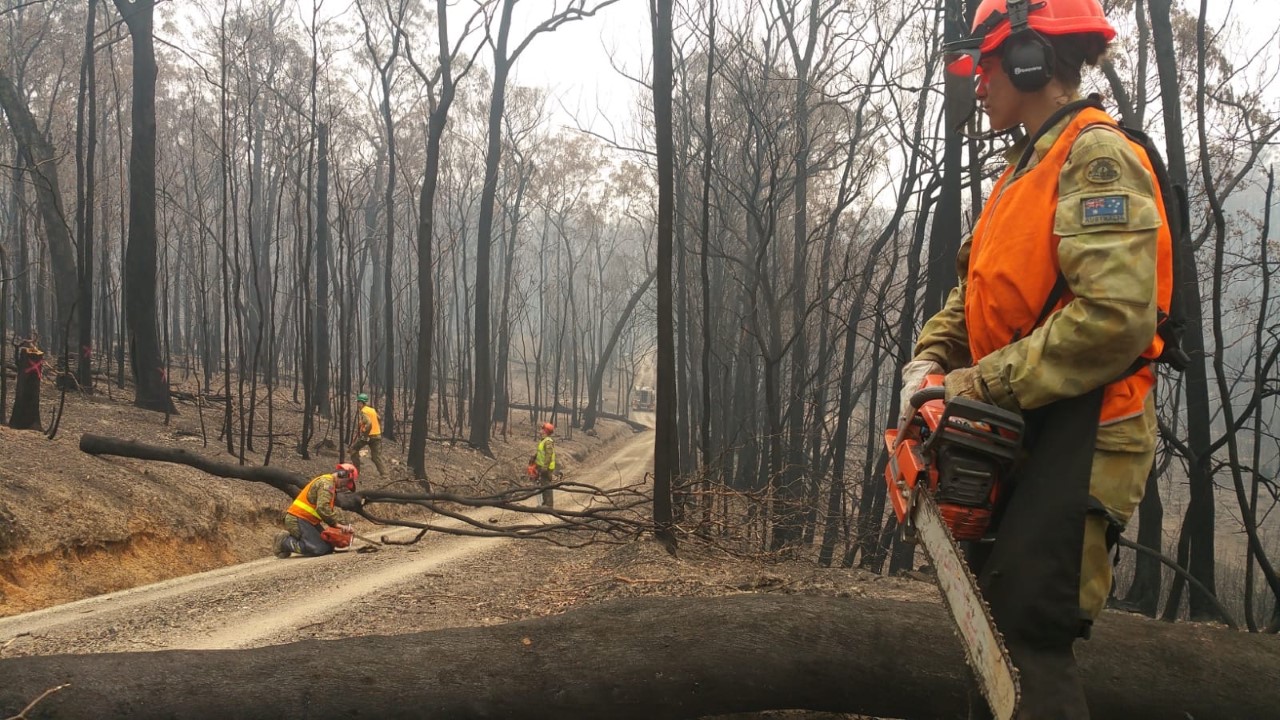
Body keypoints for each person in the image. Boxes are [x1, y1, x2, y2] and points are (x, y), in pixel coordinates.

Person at [908, 0, 1173, 715]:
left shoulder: (1095, 156)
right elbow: (978, 292)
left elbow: (1113, 319)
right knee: (990, 629)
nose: (979, 78)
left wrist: (975, 384)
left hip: (1086, 431)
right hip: (1026, 421)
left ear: (1030, 58)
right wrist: (929, 364)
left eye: (987, 61)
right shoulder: (1026, 166)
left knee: (1029, 635)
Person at [273, 463, 358, 558]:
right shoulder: (326, 484)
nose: (345, 486)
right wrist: (338, 525)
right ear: (342, 474)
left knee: (328, 547)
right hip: (297, 519)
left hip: (308, 521)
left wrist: (344, 525)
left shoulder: (330, 484)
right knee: (318, 549)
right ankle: (284, 542)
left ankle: (294, 540)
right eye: (347, 482)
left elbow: (327, 510)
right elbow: (322, 507)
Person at [349, 392, 388, 480]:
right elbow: (379, 418)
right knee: (376, 456)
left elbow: (369, 423)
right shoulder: (372, 410)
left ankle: (356, 472)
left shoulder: (364, 411)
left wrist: (365, 432)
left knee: (353, 450)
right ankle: (385, 474)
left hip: (368, 436)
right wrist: (377, 428)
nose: (357, 404)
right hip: (377, 436)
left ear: (362, 403)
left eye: (358, 402)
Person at [531, 422, 557, 508]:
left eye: (542, 429)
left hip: (546, 468)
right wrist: (534, 457)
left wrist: (545, 467)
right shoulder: (543, 441)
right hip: (542, 467)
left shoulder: (548, 441)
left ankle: (549, 504)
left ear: (545, 431)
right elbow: (541, 452)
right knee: (543, 484)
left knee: (546, 485)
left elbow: (548, 455)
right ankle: (545, 503)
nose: (540, 431)